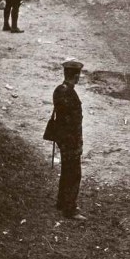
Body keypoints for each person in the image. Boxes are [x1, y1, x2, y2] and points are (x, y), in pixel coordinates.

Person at [53, 58, 86, 220]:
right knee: (74, 173)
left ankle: (61, 201)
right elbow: (72, 123)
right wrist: (77, 143)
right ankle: (70, 208)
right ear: (76, 75)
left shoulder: (59, 89)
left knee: (67, 170)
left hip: (63, 138)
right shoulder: (70, 93)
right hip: (70, 139)